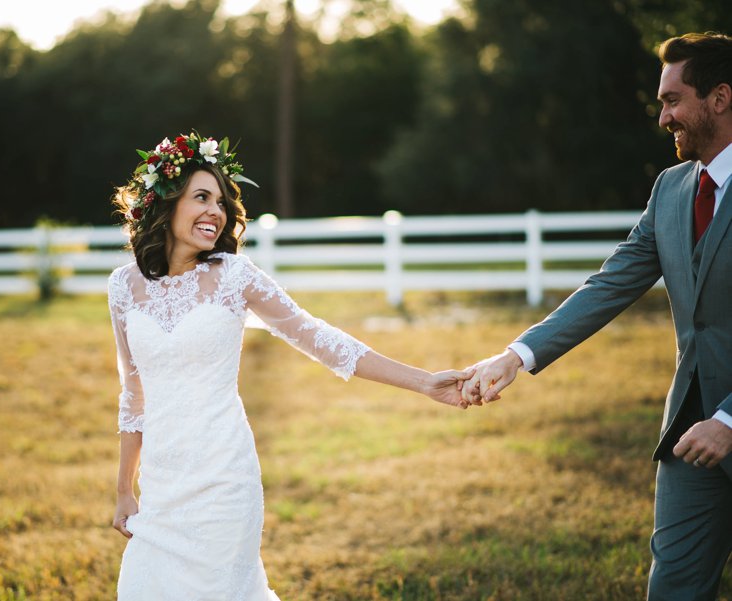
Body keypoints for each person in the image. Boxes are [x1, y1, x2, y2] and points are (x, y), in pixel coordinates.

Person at [106, 132, 475, 600]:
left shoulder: (235, 278)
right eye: (201, 197)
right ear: (166, 202)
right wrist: (125, 488)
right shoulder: (123, 288)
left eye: (221, 201)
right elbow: (133, 397)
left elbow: (320, 339)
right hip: (162, 488)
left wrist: (424, 382)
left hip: (223, 481)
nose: (215, 212)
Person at [461, 33, 732, 601]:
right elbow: (610, 284)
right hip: (688, 426)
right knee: (675, 584)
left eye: (672, 100)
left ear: (720, 98)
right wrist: (517, 355)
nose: (663, 117)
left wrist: (730, 420)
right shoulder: (672, 189)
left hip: (724, 421)